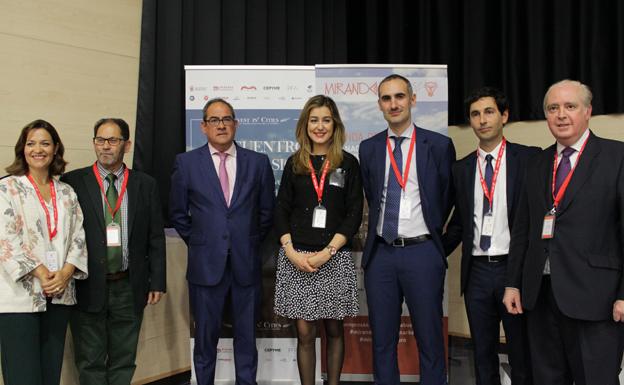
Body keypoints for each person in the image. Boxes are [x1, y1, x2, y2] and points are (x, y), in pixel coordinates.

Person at [503, 79, 624, 385]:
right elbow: (522, 229)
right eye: (553, 108)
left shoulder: (616, 157)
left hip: (597, 300)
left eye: (570, 106)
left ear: (588, 112)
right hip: (540, 297)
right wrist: (513, 284)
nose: (561, 115)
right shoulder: (537, 163)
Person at [170, 98, 275, 385]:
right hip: (206, 267)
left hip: (245, 264)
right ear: (203, 126)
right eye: (214, 120)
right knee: (205, 340)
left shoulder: (258, 162)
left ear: (236, 124)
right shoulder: (186, 163)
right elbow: (178, 214)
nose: (221, 125)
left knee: (246, 338)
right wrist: (202, 243)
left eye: (226, 119)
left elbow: (267, 214)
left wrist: (248, 242)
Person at [358, 74, 455, 385]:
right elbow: (373, 196)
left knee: (429, 337)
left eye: (400, 96)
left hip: (422, 252)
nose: (394, 104)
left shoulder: (438, 145)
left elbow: (447, 195)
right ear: (379, 105)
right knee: (382, 340)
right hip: (381, 254)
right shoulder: (369, 148)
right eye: (386, 98)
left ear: (413, 100)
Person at [62, 118, 166, 385]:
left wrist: (158, 280)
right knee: (89, 360)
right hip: (87, 284)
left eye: (113, 140)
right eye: (100, 140)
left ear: (127, 145)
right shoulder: (73, 182)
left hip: (129, 284)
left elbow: (155, 237)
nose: (105, 146)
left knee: (123, 358)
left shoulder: (145, 184)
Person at [443, 87, 535, 385]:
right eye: (475, 114)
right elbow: (458, 225)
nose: (482, 120)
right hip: (478, 273)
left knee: (521, 351)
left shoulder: (529, 159)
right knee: (482, 352)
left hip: (515, 270)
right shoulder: (462, 168)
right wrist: (429, 254)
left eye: (489, 112)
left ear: (504, 116)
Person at [274, 95, 363, 385]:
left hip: (333, 258)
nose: (320, 126)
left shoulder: (348, 163)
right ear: (305, 124)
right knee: (304, 334)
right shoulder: (295, 163)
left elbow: (354, 213)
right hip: (297, 259)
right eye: (314, 120)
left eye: (326, 119)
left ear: (334, 124)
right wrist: (291, 252)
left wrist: (328, 251)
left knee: (335, 330)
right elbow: (281, 209)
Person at [0, 119, 88, 385]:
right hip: (18, 298)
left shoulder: (66, 192)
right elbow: (6, 238)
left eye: (45, 143)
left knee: (50, 374)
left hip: (59, 294)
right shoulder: (7, 188)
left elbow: (79, 236)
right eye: (31, 143)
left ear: (56, 149)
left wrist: (65, 273)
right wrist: (41, 272)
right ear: (22, 149)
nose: (38, 149)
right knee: (22, 376)